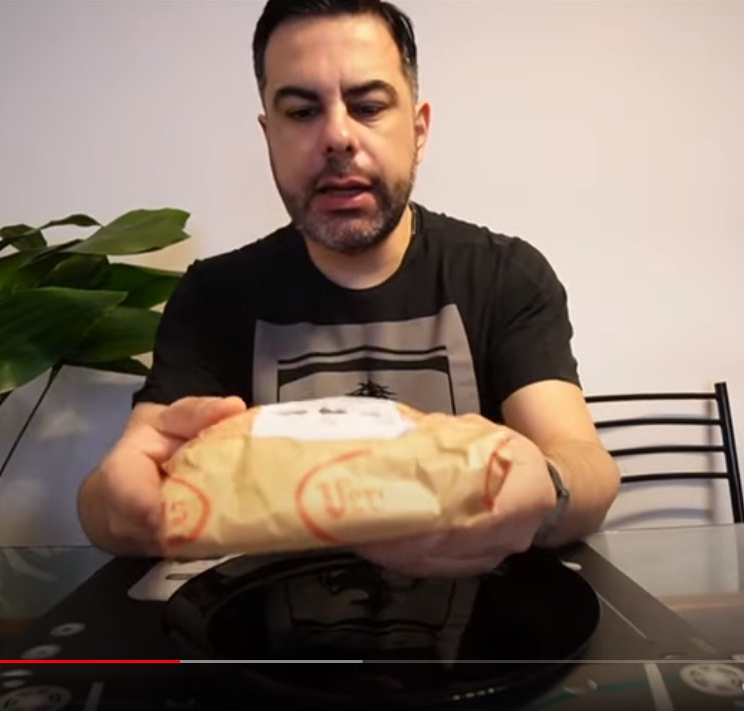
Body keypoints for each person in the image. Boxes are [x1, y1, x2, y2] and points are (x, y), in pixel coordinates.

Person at [78, 0, 619, 576]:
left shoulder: (505, 274)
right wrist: (118, 504)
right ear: (269, 135)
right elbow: (117, 487)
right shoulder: (214, 296)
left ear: (418, 130)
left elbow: (586, 464)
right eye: (301, 112)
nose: (337, 136)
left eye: (368, 107)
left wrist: (547, 489)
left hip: (479, 620)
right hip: (268, 623)